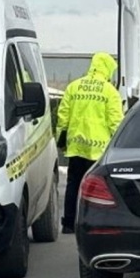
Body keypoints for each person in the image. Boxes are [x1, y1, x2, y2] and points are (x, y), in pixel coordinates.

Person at [56, 52, 123, 234]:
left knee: (74, 185)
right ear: (107, 68)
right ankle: (94, 224)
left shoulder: (73, 87)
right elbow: (115, 122)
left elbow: (63, 117)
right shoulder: (109, 91)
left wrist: (60, 139)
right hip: (100, 150)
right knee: (99, 190)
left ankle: (69, 223)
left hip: (77, 147)